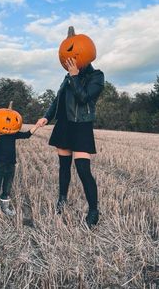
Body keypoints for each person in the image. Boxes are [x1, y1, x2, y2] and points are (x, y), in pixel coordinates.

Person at [36, 57, 104, 228]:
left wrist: (74, 76)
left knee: (83, 169)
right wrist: (46, 117)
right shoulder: (67, 77)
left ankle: (94, 210)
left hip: (81, 125)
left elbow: (84, 98)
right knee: (64, 167)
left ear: (84, 58)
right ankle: (62, 199)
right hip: (64, 125)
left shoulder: (96, 76)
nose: (70, 62)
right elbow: (57, 100)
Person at [0, 123, 39, 216]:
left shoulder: (12, 134)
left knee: (7, 189)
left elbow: (27, 135)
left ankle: (5, 208)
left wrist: (37, 125)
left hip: (11, 166)